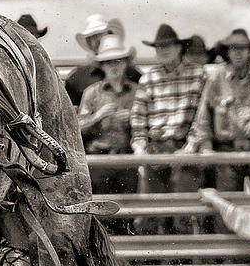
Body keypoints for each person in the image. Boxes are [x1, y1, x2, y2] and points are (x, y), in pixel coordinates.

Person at [187, 28, 250, 199]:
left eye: (242, 49)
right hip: (227, 152)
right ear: (227, 52)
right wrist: (206, 146)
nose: (238, 54)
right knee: (227, 206)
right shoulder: (216, 77)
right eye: (233, 49)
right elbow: (204, 116)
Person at [130, 24, 207, 235]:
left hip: (184, 146)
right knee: (151, 212)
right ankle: (151, 264)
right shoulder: (148, 79)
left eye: (167, 46)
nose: (162, 50)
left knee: (183, 211)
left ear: (179, 48)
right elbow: (138, 119)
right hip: (156, 148)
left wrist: (190, 148)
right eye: (159, 47)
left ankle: (186, 262)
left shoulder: (198, 75)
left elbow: (202, 118)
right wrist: (140, 150)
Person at [78, 32, 139, 233]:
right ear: (102, 66)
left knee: (127, 215)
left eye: (118, 61)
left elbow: (145, 124)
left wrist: (132, 120)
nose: (114, 66)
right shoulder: (92, 93)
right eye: (108, 62)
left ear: (125, 64)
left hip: (126, 159)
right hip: (99, 161)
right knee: (100, 216)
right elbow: (78, 129)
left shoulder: (137, 91)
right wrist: (97, 117)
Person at [64, 15, 140, 107]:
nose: (98, 40)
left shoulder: (132, 72)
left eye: (101, 35)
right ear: (88, 42)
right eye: (93, 37)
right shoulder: (77, 78)